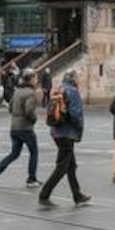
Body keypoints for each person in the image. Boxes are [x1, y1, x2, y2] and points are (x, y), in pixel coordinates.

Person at [38, 70, 91, 207]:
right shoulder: (73, 91)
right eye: (77, 78)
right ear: (74, 80)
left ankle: (77, 195)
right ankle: (44, 195)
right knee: (62, 167)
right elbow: (75, 114)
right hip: (67, 133)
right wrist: (79, 128)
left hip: (56, 131)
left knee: (71, 165)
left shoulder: (58, 89)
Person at [0, 68, 41, 188]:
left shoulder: (17, 91)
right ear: (32, 78)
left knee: (14, 153)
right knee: (34, 152)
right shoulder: (31, 93)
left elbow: (10, 108)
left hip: (14, 128)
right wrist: (34, 119)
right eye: (36, 77)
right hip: (26, 128)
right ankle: (31, 179)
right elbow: (29, 111)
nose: (36, 80)